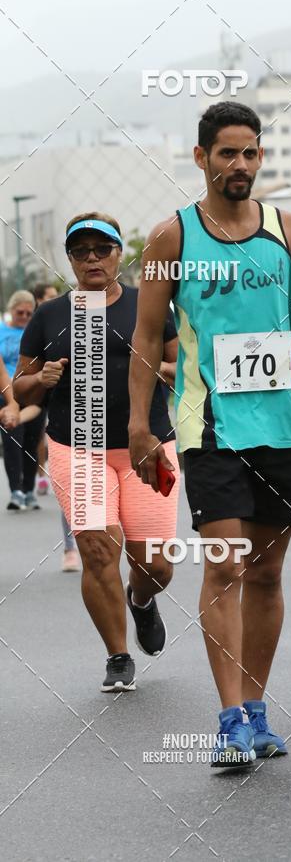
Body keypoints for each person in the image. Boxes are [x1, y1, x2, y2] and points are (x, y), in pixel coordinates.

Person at [128, 101, 291, 767]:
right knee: (224, 561)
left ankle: (254, 708)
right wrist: (140, 424)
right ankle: (227, 719)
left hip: (280, 424)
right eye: (227, 153)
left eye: (250, 152)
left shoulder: (290, 230)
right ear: (202, 158)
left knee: (267, 570)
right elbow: (144, 336)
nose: (240, 165)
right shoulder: (172, 238)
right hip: (208, 423)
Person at [13, 212, 180, 692]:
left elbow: (178, 365)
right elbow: (21, 389)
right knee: (97, 548)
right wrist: (38, 380)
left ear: (117, 255)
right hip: (77, 446)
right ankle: (118, 654)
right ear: (69, 258)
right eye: (81, 251)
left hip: (146, 445)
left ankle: (142, 600)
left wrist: (164, 372)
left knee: (156, 563)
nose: (92, 258)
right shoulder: (49, 316)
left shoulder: (147, 306)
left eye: (101, 249)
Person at [32, 281, 80, 571]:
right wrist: (41, 379)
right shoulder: (51, 324)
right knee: (72, 488)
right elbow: (28, 378)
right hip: (64, 418)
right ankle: (70, 547)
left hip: (114, 426)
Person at [0, 291, 45, 510]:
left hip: (33, 392)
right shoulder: (1, 331)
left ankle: (29, 490)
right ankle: (16, 490)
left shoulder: (35, 332)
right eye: (20, 312)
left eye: (29, 313)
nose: (25, 316)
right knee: (12, 440)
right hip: (6, 393)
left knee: (31, 442)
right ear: (11, 310)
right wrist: (11, 401)